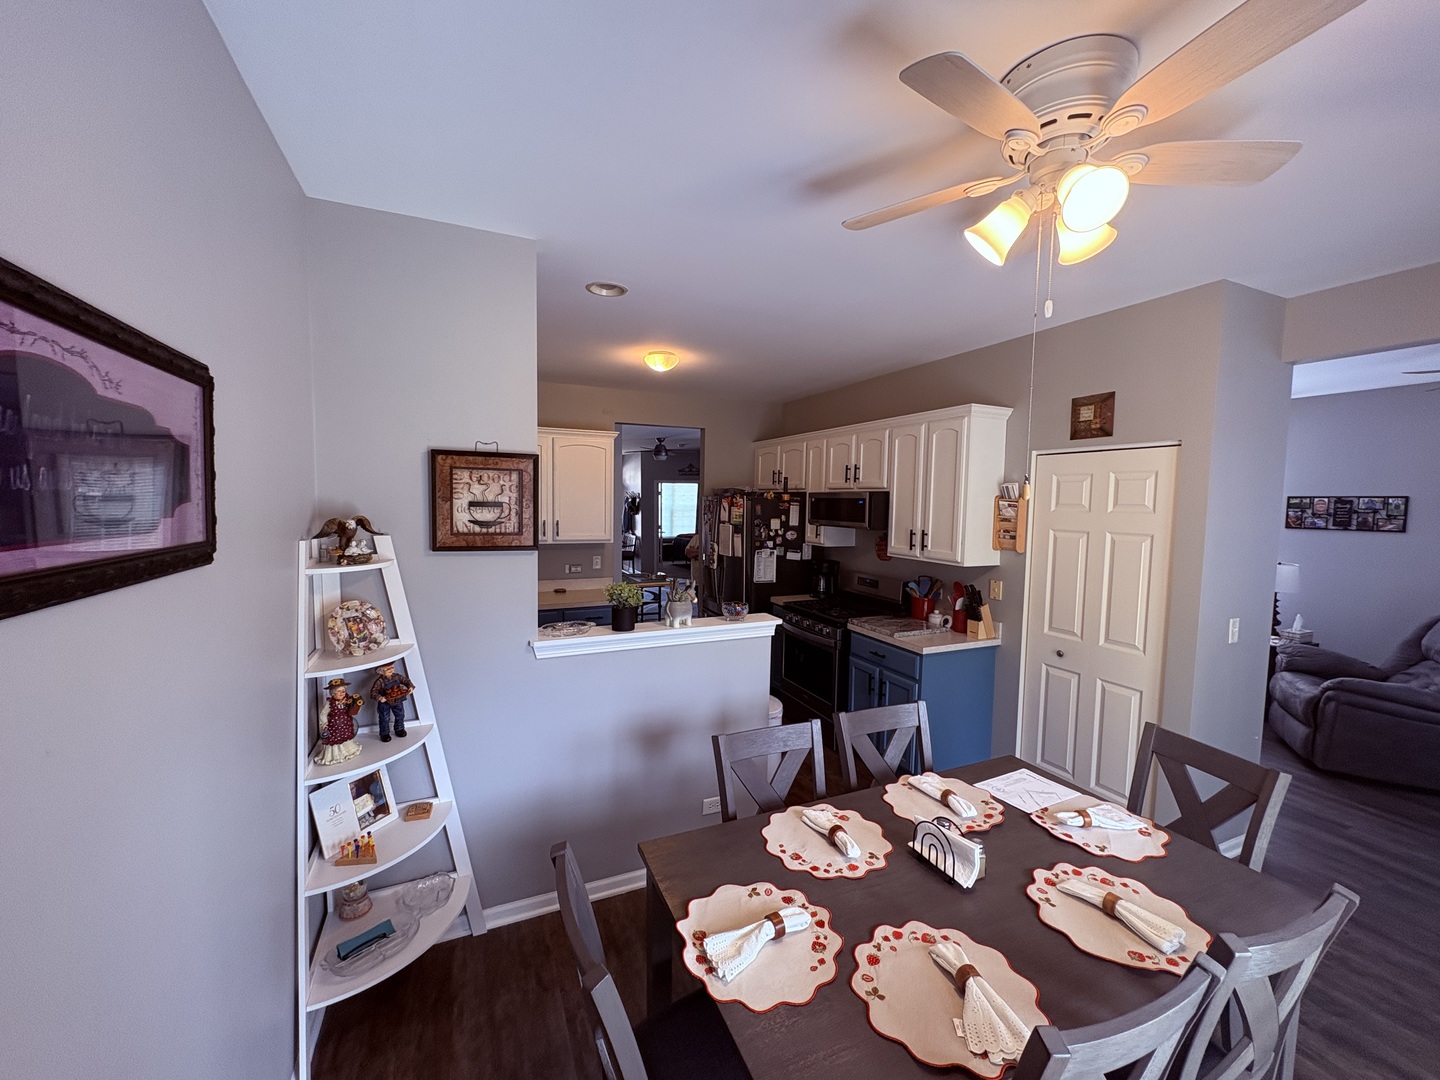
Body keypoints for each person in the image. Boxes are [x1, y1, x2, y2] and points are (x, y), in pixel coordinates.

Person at [315, 678, 363, 765]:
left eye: (343, 691)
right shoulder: (330, 703)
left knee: (346, 736)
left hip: (346, 723)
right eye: (339, 691)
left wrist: (357, 707)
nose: (342, 693)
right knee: (335, 739)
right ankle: (336, 755)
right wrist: (324, 723)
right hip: (335, 726)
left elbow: (353, 708)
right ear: (333, 693)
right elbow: (323, 713)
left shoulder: (348, 700)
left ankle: (348, 751)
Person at [370, 662, 414, 743]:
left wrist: (410, 687)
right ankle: (384, 733)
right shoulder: (380, 681)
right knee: (384, 718)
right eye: (387, 669)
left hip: (397, 700)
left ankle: (399, 729)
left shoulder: (397, 676)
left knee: (400, 714)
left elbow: (406, 681)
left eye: (392, 667)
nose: (390, 670)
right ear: (381, 671)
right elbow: (373, 692)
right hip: (384, 703)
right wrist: (380, 698)